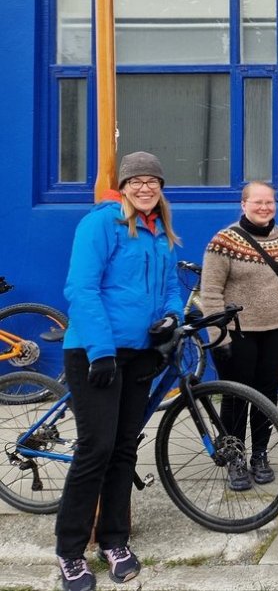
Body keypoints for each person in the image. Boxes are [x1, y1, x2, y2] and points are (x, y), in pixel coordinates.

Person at [57, 151, 184, 590]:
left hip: (141, 353)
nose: (145, 188)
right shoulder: (101, 223)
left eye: (153, 181)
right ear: (124, 186)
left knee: (125, 449)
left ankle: (115, 540)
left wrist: (171, 316)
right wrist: (102, 350)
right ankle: (70, 552)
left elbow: (169, 288)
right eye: (137, 181)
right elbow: (82, 288)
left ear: (161, 187)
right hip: (96, 354)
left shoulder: (160, 232)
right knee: (96, 449)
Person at [200, 181, 278, 490]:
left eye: (269, 202)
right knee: (236, 397)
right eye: (257, 202)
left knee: (265, 397)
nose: (264, 207)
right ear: (243, 204)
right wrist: (218, 334)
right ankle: (235, 458)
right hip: (238, 334)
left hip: (277, 330)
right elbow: (210, 293)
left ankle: (260, 454)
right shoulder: (223, 241)